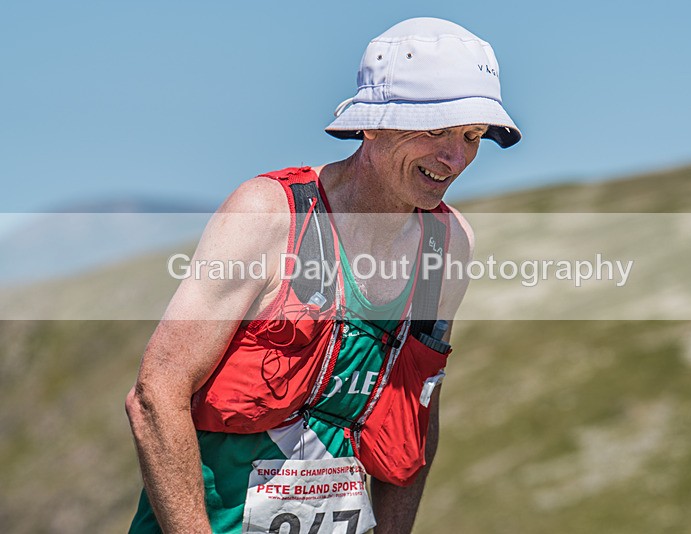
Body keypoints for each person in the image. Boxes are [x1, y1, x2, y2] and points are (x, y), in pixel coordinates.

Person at [126, 17, 520, 534]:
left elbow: (417, 412)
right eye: (435, 129)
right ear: (373, 122)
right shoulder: (270, 216)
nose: (455, 157)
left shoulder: (449, 246)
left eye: (471, 136)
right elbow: (156, 394)